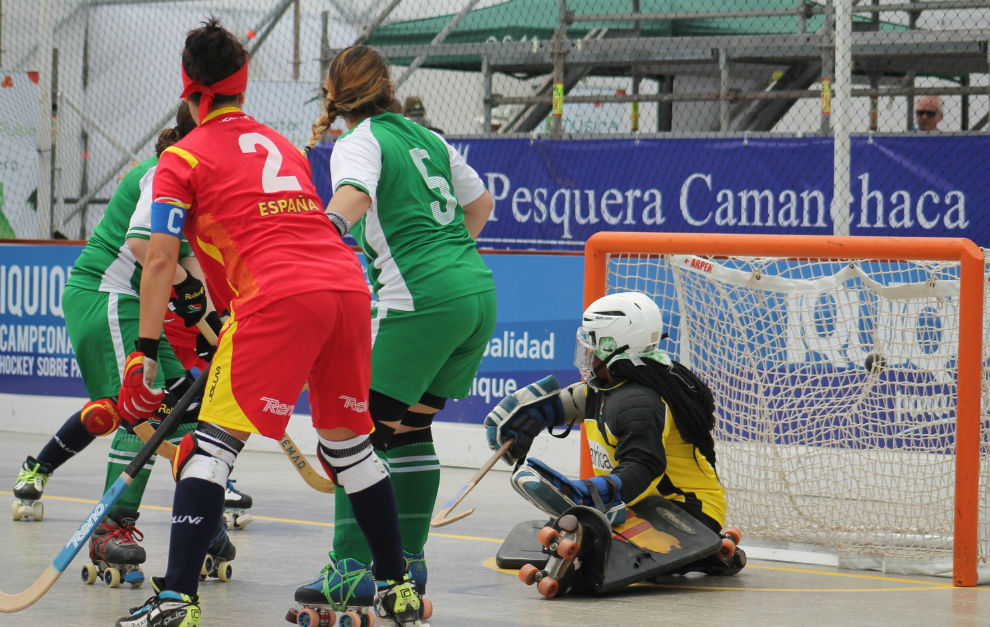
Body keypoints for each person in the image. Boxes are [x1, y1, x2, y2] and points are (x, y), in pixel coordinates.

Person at [114, 20, 423, 627]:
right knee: (351, 448)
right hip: (345, 290)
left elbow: (159, 258)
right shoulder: (281, 144)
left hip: (278, 297)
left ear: (189, 87)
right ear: (242, 83)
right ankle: (397, 590)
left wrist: (142, 353)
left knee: (210, 450)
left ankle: (176, 599)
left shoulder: (180, 159)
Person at [293, 43, 495, 618]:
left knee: (351, 437)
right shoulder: (425, 135)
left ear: (336, 96)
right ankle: (408, 561)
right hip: (476, 294)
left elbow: (353, 196)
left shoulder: (359, 142)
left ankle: (352, 570)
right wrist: (450, 260)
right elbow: (479, 205)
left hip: (419, 301)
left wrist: (320, 235)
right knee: (408, 431)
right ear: (386, 87)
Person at [10, 105, 220, 587]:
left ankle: (199, 518)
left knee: (186, 409)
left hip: (127, 302)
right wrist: (189, 288)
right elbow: (148, 250)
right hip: (105, 294)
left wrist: (215, 327)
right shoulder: (164, 171)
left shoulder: (192, 182)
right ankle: (110, 527)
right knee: (138, 409)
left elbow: (192, 270)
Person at [484, 291, 745, 597]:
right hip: (642, 503)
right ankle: (694, 550)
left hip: (685, 511)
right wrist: (525, 417)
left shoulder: (639, 402)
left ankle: (701, 548)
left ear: (612, 344)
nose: (585, 351)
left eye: (591, 343)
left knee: (590, 565)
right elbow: (565, 404)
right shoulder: (605, 387)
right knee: (581, 534)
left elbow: (644, 467)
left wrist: (590, 494)